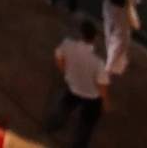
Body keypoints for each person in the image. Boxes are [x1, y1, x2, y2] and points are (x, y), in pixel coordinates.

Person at [45, 18, 110, 148]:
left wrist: (66, 71)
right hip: (92, 97)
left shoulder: (67, 45)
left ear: (81, 33)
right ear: (94, 37)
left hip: (73, 87)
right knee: (86, 125)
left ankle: (53, 126)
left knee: (64, 108)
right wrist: (105, 102)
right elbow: (101, 86)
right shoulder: (98, 63)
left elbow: (58, 58)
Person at [101, 0, 140, 77]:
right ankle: (106, 73)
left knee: (110, 39)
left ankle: (115, 66)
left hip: (109, 14)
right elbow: (136, 2)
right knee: (118, 46)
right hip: (122, 20)